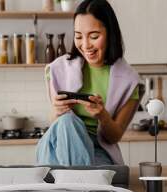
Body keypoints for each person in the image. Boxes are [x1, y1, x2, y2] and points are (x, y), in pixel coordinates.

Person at [36, 0, 140, 166]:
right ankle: (80, 186)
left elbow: (115, 137)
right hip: (57, 145)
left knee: (85, 176)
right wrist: (57, 111)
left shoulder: (129, 80)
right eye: (78, 36)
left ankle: (72, 185)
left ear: (110, 34)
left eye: (94, 36)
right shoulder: (58, 69)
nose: (85, 45)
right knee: (66, 121)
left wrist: (102, 115)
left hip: (98, 149)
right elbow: (53, 123)